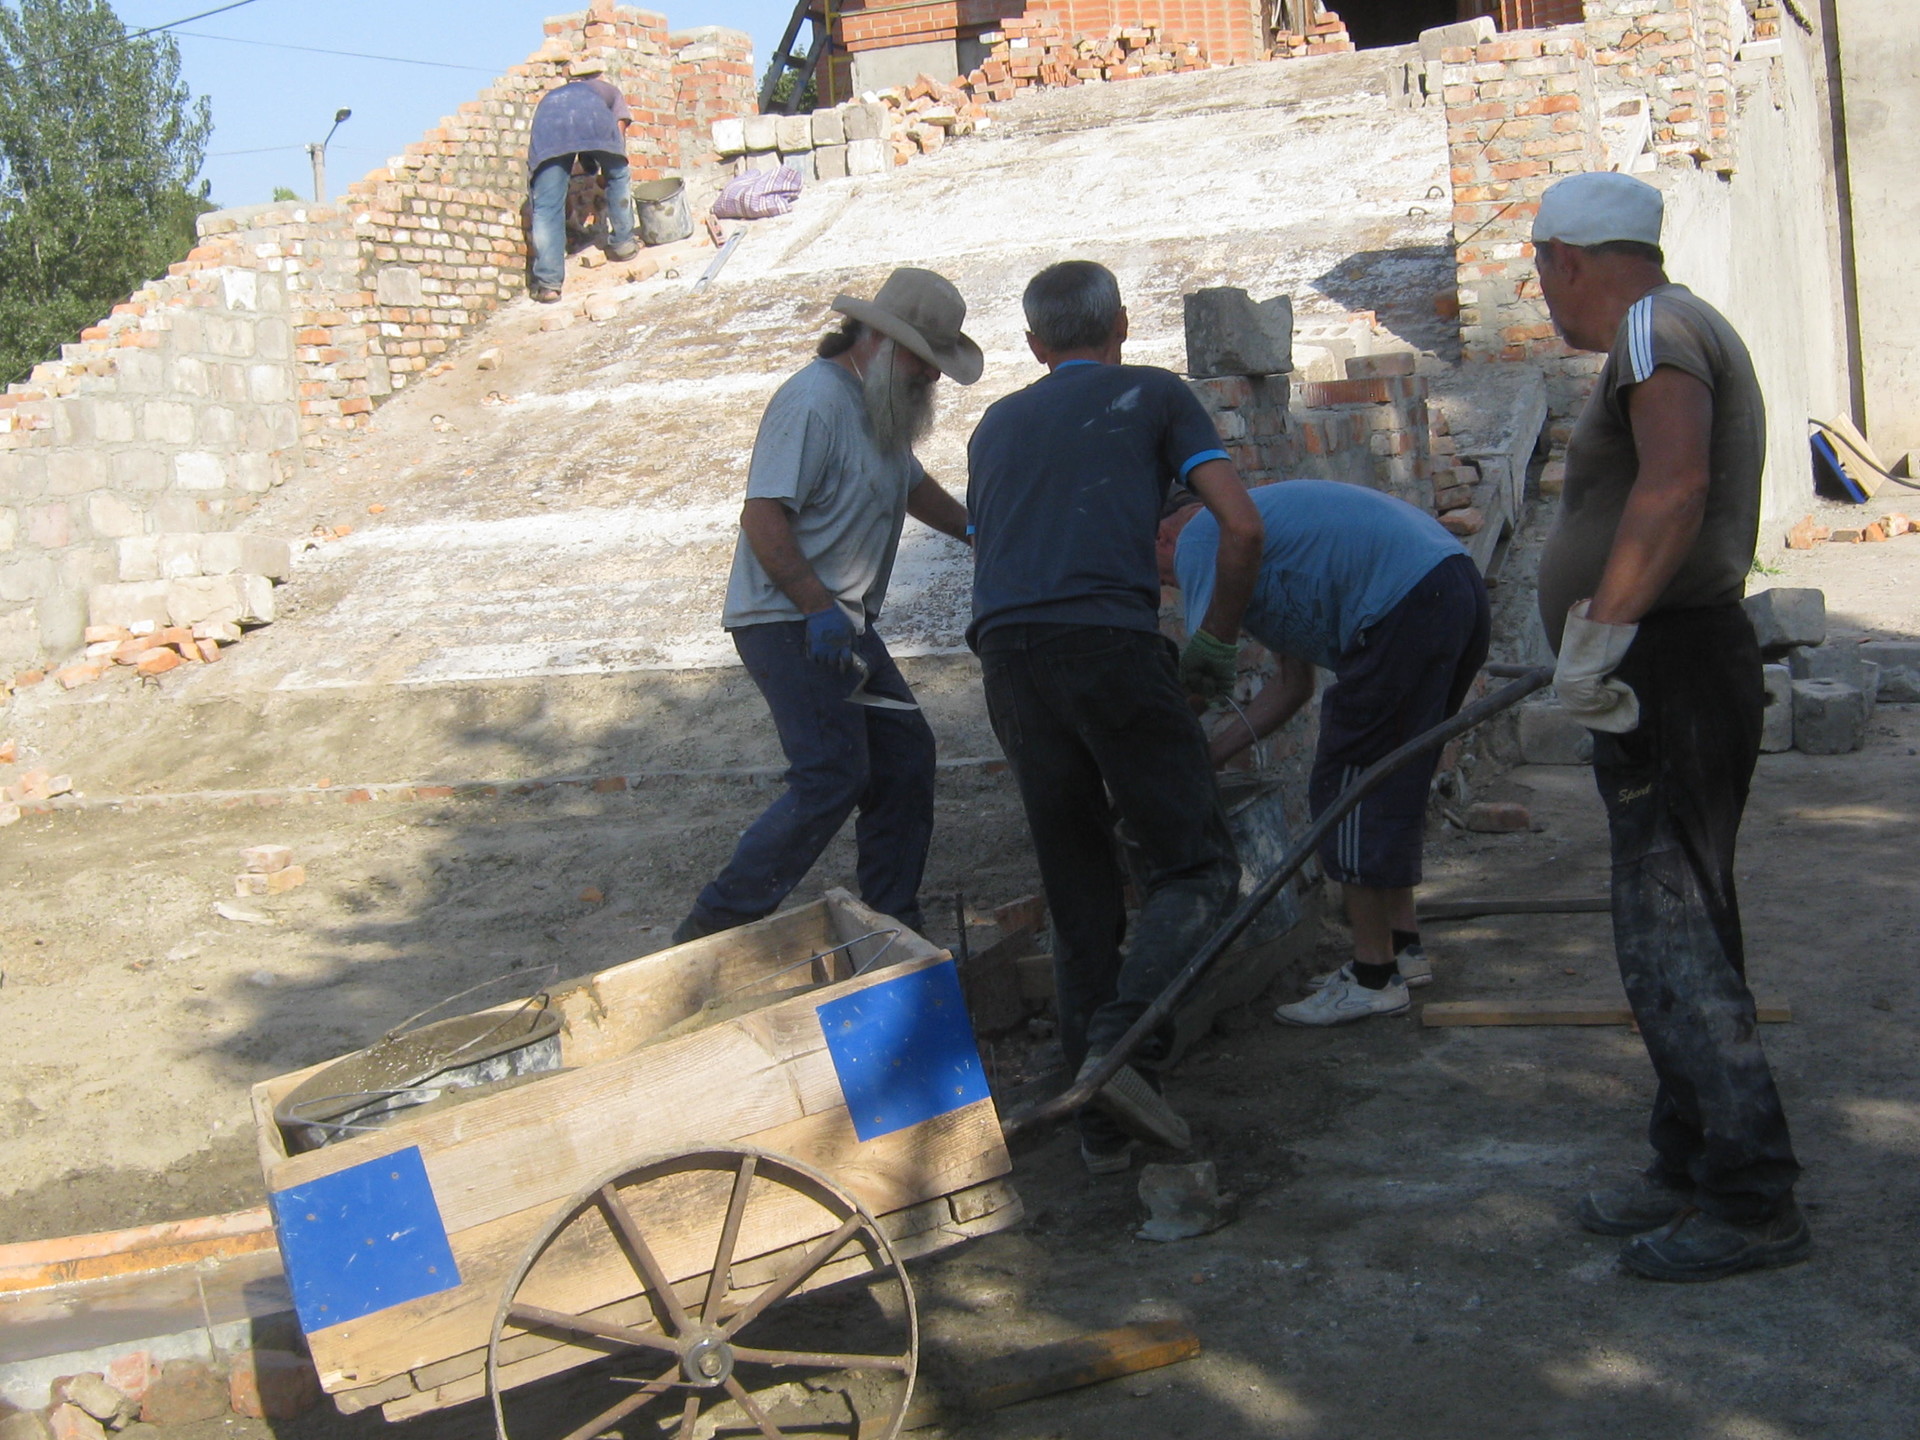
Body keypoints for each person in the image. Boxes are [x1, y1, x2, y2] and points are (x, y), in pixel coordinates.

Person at [1531, 170, 1807, 1281]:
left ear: (1566, 259)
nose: (1543, 294)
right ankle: (1687, 1157)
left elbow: (1674, 485)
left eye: (1541, 272)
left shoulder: (1652, 327)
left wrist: (1601, 632)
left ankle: (1749, 1199)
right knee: (1681, 922)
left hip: (1667, 663)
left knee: (1670, 930)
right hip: (1676, 659)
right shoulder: (1675, 321)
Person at [967, 260, 1264, 1175]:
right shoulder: (1154, 395)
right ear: (1122, 325)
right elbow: (1243, 529)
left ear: (1031, 346)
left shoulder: (994, 424)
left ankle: (1098, 1130)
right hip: (1105, 640)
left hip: (1007, 658)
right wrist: (1213, 643)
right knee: (1197, 865)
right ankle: (1119, 1057)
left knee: (1079, 886)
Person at [672, 268, 978, 945]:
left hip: (840, 626)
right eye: (928, 364)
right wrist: (816, 608)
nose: (932, 381)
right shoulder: (812, 400)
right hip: (788, 622)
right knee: (833, 773)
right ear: (884, 343)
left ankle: (891, 926)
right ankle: (713, 931)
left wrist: (981, 530)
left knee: (904, 759)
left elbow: (914, 487)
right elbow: (762, 518)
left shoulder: (879, 409)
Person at [1158, 478, 1490, 1025]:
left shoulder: (1199, 535)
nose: (1168, 585)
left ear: (1161, 536)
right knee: (1393, 778)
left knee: (1346, 787)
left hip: (1406, 602)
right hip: (1449, 589)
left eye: (1159, 574)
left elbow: (1201, 677)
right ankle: (1402, 948)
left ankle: (1372, 975)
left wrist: (1161, 754)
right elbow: (1293, 687)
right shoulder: (1265, 548)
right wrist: (1210, 756)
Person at [526, 56, 638, 303]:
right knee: (618, 176)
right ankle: (623, 244)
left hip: (549, 126)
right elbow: (618, 132)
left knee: (546, 208)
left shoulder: (553, 96)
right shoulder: (610, 92)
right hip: (591, 119)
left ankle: (549, 285)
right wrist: (611, 164)